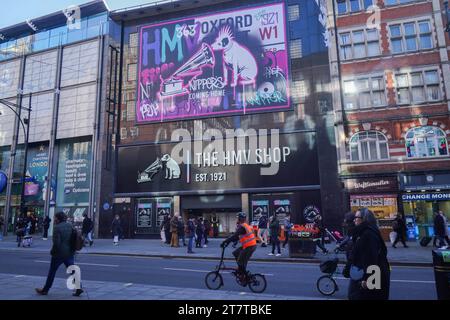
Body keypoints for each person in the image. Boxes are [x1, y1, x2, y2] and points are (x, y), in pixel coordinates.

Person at [35, 211, 83, 297]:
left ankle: (45, 290)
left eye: (55, 217)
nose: (54, 219)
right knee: (72, 271)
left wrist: (52, 252)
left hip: (59, 254)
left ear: (58, 218)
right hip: (70, 252)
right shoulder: (70, 225)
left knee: (52, 272)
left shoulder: (57, 228)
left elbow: (57, 244)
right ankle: (79, 288)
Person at [347, 207, 390, 300]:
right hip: (368, 273)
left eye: (357, 217)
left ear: (364, 219)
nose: (354, 220)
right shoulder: (365, 232)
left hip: (371, 275)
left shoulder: (368, 234)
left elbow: (371, 258)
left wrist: (367, 279)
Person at [221, 212, 257, 279]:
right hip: (248, 246)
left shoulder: (242, 227)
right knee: (235, 253)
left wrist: (224, 242)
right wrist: (228, 242)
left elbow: (235, 235)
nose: (237, 219)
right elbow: (237, 237)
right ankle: (241, 270)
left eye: (238, 218)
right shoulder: (244, 225)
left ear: (240, 219)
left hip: (250, 247)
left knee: (240, 261)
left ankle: (245, 275)